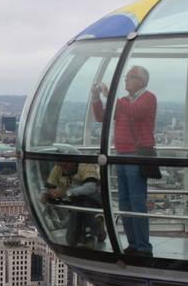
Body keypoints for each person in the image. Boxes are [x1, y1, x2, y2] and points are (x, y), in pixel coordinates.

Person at [91, 65, 157, 256]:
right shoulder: (125, 102)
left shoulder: (147, 98)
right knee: (125, 203)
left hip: (136, 155)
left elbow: (134, 112)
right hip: (121, 155)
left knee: (137, 202)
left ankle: (144, 247)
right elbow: (101, 117)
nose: (126, 80)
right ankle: (134, 244)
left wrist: (108, 94)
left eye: (130, 77)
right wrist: (96, 98)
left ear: (141, 81)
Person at [42, 145, 104, 248]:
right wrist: (46, 194)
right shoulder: (59, 167)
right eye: (60, 166)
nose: (62, 169)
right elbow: (49, 186)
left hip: (94, 200)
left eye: (65, 166)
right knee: (71, 240)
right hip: (74, 202)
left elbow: (91, 188)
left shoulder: (85, 164)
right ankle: (97, 227)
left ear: (73, 161)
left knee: (83, 203)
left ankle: (90, 237)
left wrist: (67, 193)